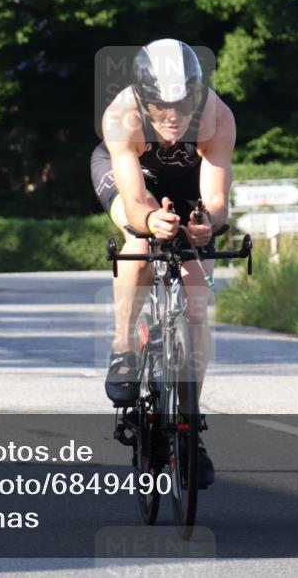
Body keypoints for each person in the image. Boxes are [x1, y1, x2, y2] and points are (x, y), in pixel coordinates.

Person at [90, 39, 236, 487]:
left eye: (182, 102)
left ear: (197, 91)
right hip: (134, 177)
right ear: (142, 97)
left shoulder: (218, 116)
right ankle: (123, 349)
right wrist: (152, 219)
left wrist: (205, 224)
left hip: (190, 182)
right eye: (160, 104)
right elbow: (135, 204)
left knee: (196, 303)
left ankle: (190, 421)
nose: (173, 115)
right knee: (139, 242)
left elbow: (216, 201)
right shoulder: (122, 117)